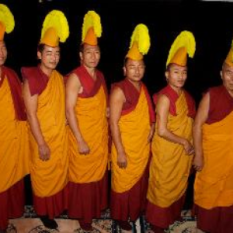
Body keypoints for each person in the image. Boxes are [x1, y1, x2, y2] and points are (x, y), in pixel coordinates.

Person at [22, 10, 69, 230]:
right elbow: (31, 114)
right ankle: (42, 212)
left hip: (59, 135)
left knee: (58, 172)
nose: (54, 57)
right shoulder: (32, 78)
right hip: (41, 136)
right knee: (42, 176)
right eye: (49, 53)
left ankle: (55, 208)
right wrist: (40, 142)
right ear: (39, 54)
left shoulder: (59, 78)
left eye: (57, 53)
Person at [146, 31, 196, 233]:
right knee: (163, 187)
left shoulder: (185, 96)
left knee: (176, 185)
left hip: (178, 155)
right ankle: (157, 224)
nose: (181, 76)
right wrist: (184, 141)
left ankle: (171, 215)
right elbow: (162, 130)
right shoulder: (166, 98)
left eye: (184, 72)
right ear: (167, 74)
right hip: (167, 151)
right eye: (176, 72)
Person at [65, 11, 109, 232]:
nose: (93, 56)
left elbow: (103, 105)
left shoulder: (100, 76)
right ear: (81, 55)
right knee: (82, 178)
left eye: (97, 52)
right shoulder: (75, 76)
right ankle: (83, 216)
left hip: (98, 134)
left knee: (96, 177)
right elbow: (69, 110)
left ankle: (94, 210)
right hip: (81, 134)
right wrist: (80, 139)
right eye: (89, 52)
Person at [110, 24, 155, 232]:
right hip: (125, 146)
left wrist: (153, 126)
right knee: (121, 184)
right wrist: (119, 150)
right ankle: (119, 216)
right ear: (124, 69)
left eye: (140, 66)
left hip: (141, 146)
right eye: (132, 67)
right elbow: (113, 122)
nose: (137, 70)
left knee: (138, 183)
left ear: (144, 68)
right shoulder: (119, 90)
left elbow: (148, 114)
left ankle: (135, 211)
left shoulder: (144, 88)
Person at [193, 39, 233, 233]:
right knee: (210, 192)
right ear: (221, 74)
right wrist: (198, 154)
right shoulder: (212, 95)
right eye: (228, 72)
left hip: (231, 160)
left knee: (229, 194)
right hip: (212, 158)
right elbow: (197, 125)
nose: (232, 78)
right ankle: (207, 226)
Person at [0, 4, 30, 233]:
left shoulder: (10, 74)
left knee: (11, 179)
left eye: (2, 47)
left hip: (12, 138)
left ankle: (10, 214)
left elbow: (24, 103)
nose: (1, 52)